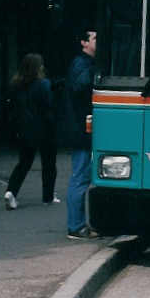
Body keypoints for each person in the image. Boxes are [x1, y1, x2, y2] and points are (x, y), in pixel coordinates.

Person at [4, 53, 59, 210]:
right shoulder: (43, 84)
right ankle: (48, 196)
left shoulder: (16, 85)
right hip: (44, 129)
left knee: (23, 163)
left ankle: (11, 192)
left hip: (24, 129)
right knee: (49, 163)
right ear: (38, 67)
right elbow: (48, 107)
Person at [64, 29, 100, 239]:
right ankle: (76, 226)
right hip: (81, 129)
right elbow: (81, 87)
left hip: (81, 128)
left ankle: (78, 224)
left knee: (81, 176)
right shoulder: (82, 64)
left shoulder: (82, 63)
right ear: (84, 43)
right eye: (95, 38)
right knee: (80, 177)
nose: (99, 41)